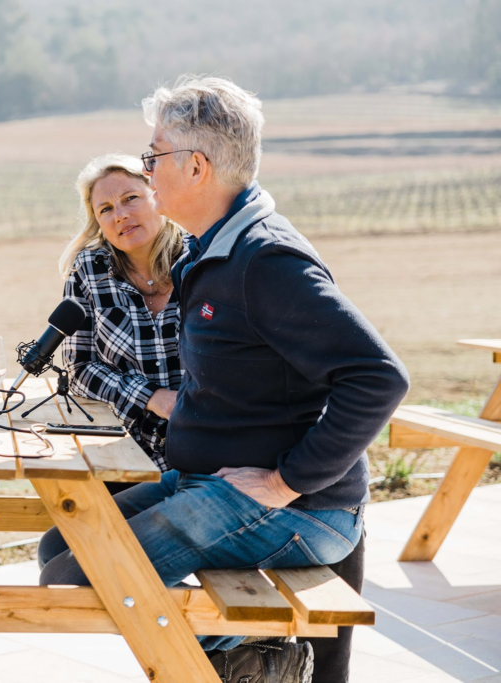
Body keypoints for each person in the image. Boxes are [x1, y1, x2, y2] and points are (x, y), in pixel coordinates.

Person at [37, 76, 409, 683]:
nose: (147, 171)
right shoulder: (209, 252)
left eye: (154, 159)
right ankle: (245, 651)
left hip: (300, 508)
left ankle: (267, 646)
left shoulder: (265, 260)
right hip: (212, 479)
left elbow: (379, 377)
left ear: (197, 167)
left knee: (80, 579)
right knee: (60, 548)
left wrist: (289, 481)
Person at [56, 154, 186, 489]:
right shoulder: (88, 271)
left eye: (130, 199)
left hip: (209, 451)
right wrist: (150, 396)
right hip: (125, 452)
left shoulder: (202, 260)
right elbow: (79, 368)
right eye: (106, 209)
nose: (121, 215)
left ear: (156, 195)